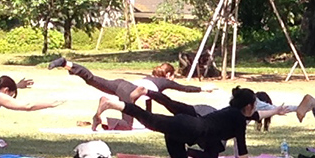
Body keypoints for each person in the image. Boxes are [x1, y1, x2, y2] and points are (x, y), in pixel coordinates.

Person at [94, 86, 276, 158]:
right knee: (149, 119)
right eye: (255, 105)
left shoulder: (234, 114)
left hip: (183, 134)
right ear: (248, 106)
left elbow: (257, 116)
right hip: (188, 127)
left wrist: (278, 110)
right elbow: (242, 150)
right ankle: (110, 103)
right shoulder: (237, 118)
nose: (256, 109)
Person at [48, 58, 213, 130]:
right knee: (127, 125)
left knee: (92, 79)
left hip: (122, 84)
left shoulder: (150, 80)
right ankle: (106, 109)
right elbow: (184, 88)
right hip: (130, 92)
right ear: (168, 75)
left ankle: (66, 64)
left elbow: (149, 106)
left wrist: (150, 118)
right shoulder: (165, 82)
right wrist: (203, 88)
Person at [0, 76, 64, 147]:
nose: (10, 99)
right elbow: (28, 106)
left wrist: (17, 85)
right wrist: (50, 104)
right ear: (6, 90)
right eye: (10, 95)